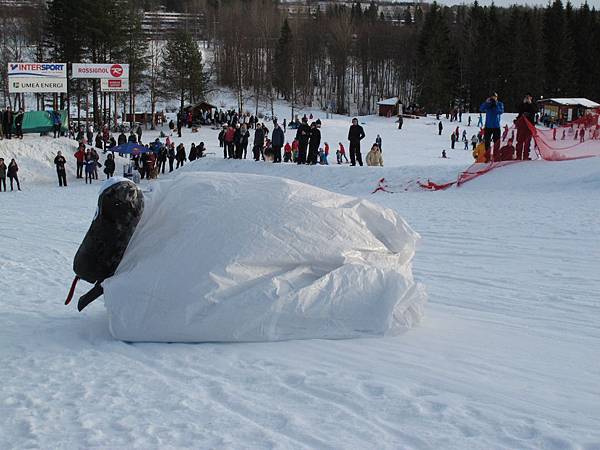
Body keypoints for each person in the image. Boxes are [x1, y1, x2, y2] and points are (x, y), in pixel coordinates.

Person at [480, 93, 505, 163]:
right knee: (487, 143)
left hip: (496, 126)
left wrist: (495, 104)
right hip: (488, 126)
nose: (493, 99)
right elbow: (481, 109)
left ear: (497, 97)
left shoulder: (499, 104)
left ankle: (496, 157)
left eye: (495, 97)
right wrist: (486, 102)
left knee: (496, 143)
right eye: (492, 97)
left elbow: (500, 111)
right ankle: (487, 158)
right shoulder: (488, 104)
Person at [515, 93, 538, 160]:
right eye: (526, 97)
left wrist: (530, 103)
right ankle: (518, 156)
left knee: (527, 142)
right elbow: (518, 109)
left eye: (529, 97)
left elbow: (535, 110)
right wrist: (523, 103)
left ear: (531, 98)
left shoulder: (533, 104)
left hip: (529, 126)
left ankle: (525, 156)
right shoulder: (522, 104)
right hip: (521, 126)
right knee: (520, 141)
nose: (527, 98)